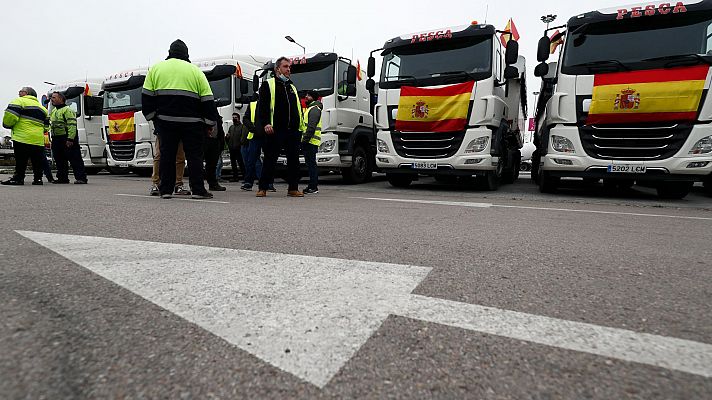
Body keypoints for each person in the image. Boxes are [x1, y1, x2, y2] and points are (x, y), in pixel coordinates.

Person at [142, 39, 216, 199]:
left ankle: (166, 190)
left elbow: (146, 97)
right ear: (186, 54)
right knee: (194, 156)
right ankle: (197, 190)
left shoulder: (156, 69)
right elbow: (208, 100)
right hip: (192, 123)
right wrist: (210, 123)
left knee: (167, 156)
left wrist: (154, 118)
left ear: (170, 52)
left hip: (166, 122)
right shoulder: (196, 71)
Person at [256, 57, 305, 197]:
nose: (288, 69)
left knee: (294, 160)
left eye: (289, 67)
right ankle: (263, 187)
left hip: (293, 130)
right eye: (285, 66)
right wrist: (266, 123)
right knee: (270, 158)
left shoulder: (292, 87)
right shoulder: (268, 84)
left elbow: (297, 108)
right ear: (277, 69)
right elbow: (263, 107)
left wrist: (299, 128)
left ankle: (293, 188)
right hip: (275, 129)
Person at [1, 87, 48, 186]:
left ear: (26, 93)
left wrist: (7, 125)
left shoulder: (19, 101)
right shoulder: (43, 109)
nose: (19, 93)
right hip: (38, 139)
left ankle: (18, 178)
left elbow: (10, 117)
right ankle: (38, 179)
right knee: (37, 161)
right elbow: (46, 126)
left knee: (21, 160)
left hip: (22, 137)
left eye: (20, 91)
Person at [49, 91, 87, 184]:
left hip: (66, 138)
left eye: (54, 97)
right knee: (59, 159)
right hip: (56, 138)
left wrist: (70, 138)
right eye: (51, 97)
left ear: (61, 99)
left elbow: (72, 125)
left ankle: (81, 178)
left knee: (74, 158)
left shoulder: (68, 110)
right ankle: (62, 178)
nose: (51, 99)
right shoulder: (54, 111)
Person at [302, 90, 322, 194]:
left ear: (313, 98)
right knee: (310, 165)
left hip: (310, 141)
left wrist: (304, 141)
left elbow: (311, 127)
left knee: (311, 165)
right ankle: (312, 186)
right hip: (310, 141)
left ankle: (313, 187)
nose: (306, 97)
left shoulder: (314, 109)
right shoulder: (311, 109)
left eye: (308, 95)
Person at [241, 98, 263, 191]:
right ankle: (248, 182)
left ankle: (268, 183)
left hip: (268, 135)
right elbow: (245, 118)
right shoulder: (253, 104)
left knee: (269, 160)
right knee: (251, 160)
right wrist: (252, 128)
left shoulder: (272, 103)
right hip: (255, 136)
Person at [203, 114, 226, 191]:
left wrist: (221, 143)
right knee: (198, 163)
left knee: (212, 164)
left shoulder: (216, 116)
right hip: (204, 140)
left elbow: (220, 130)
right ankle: (197, 185)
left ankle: (213, 184)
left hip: (215, 141)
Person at [226, 112, 247, 182]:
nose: (234, 119)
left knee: (241, 163)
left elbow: (243, 137)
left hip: (238, 148)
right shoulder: (231, 127)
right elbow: (228, 136)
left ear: (238, 118)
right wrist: (227, 137)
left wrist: (241, 144)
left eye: (235, 118)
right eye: (233, 117)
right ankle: (235, 177)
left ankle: (245, 177)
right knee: (233, 163)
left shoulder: (242, 127)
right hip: (231, 148)